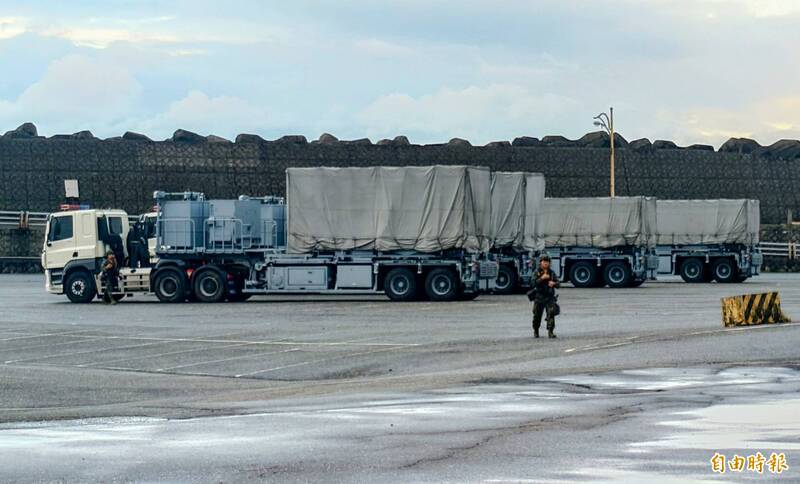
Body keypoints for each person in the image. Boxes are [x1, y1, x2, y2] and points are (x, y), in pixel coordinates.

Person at [527, 254, 560, 339]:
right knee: (537, 315)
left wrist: (554, 283)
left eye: (547, 262)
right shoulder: (536, 272)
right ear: (540, 263)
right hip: (539, 297)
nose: (545, 263)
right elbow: (532, 283)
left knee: (551, 313)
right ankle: (536, 331)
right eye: (544, 261)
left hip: (549, 297)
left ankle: (550, 332)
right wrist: (542, 278)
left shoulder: (552, 273)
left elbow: (558, 284)